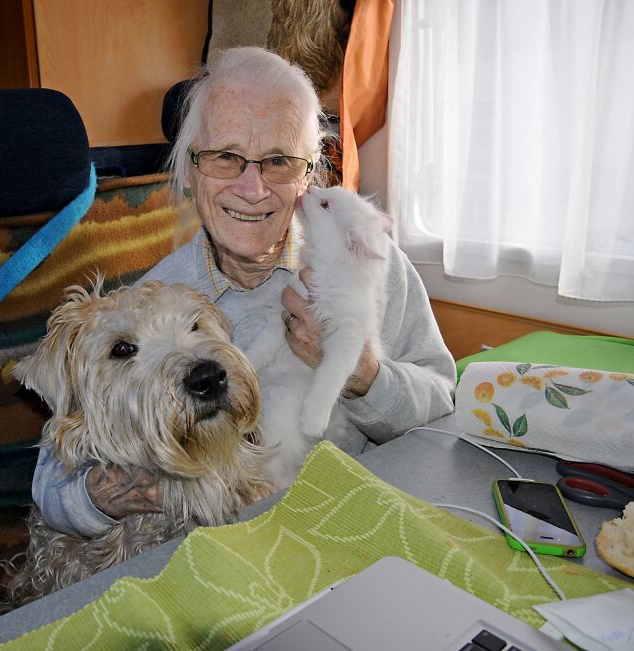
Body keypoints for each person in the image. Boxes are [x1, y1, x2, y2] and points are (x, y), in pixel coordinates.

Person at [32, 47, 456, 537]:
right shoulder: (147, 310)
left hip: (358, 526)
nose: (252, 189)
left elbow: (442, 399)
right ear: (190, 171)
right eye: (226, 158)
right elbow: (50, 487)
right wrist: (105, 498)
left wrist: (364, 376)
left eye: (277, 161)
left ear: (309, 173)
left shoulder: (369, 267)